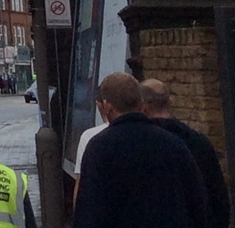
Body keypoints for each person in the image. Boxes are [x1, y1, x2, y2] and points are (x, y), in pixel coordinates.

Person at [74, 71, 209, 228]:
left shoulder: (99, 147)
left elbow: (89, 211)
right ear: (141, 104)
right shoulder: (173, 143)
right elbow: (197, 203)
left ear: (108, 106)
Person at [142, 79, 229, 228]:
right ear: (170, 102)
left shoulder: (137, 146)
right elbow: (219, 200)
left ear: (142, 108)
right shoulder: (199, 142)